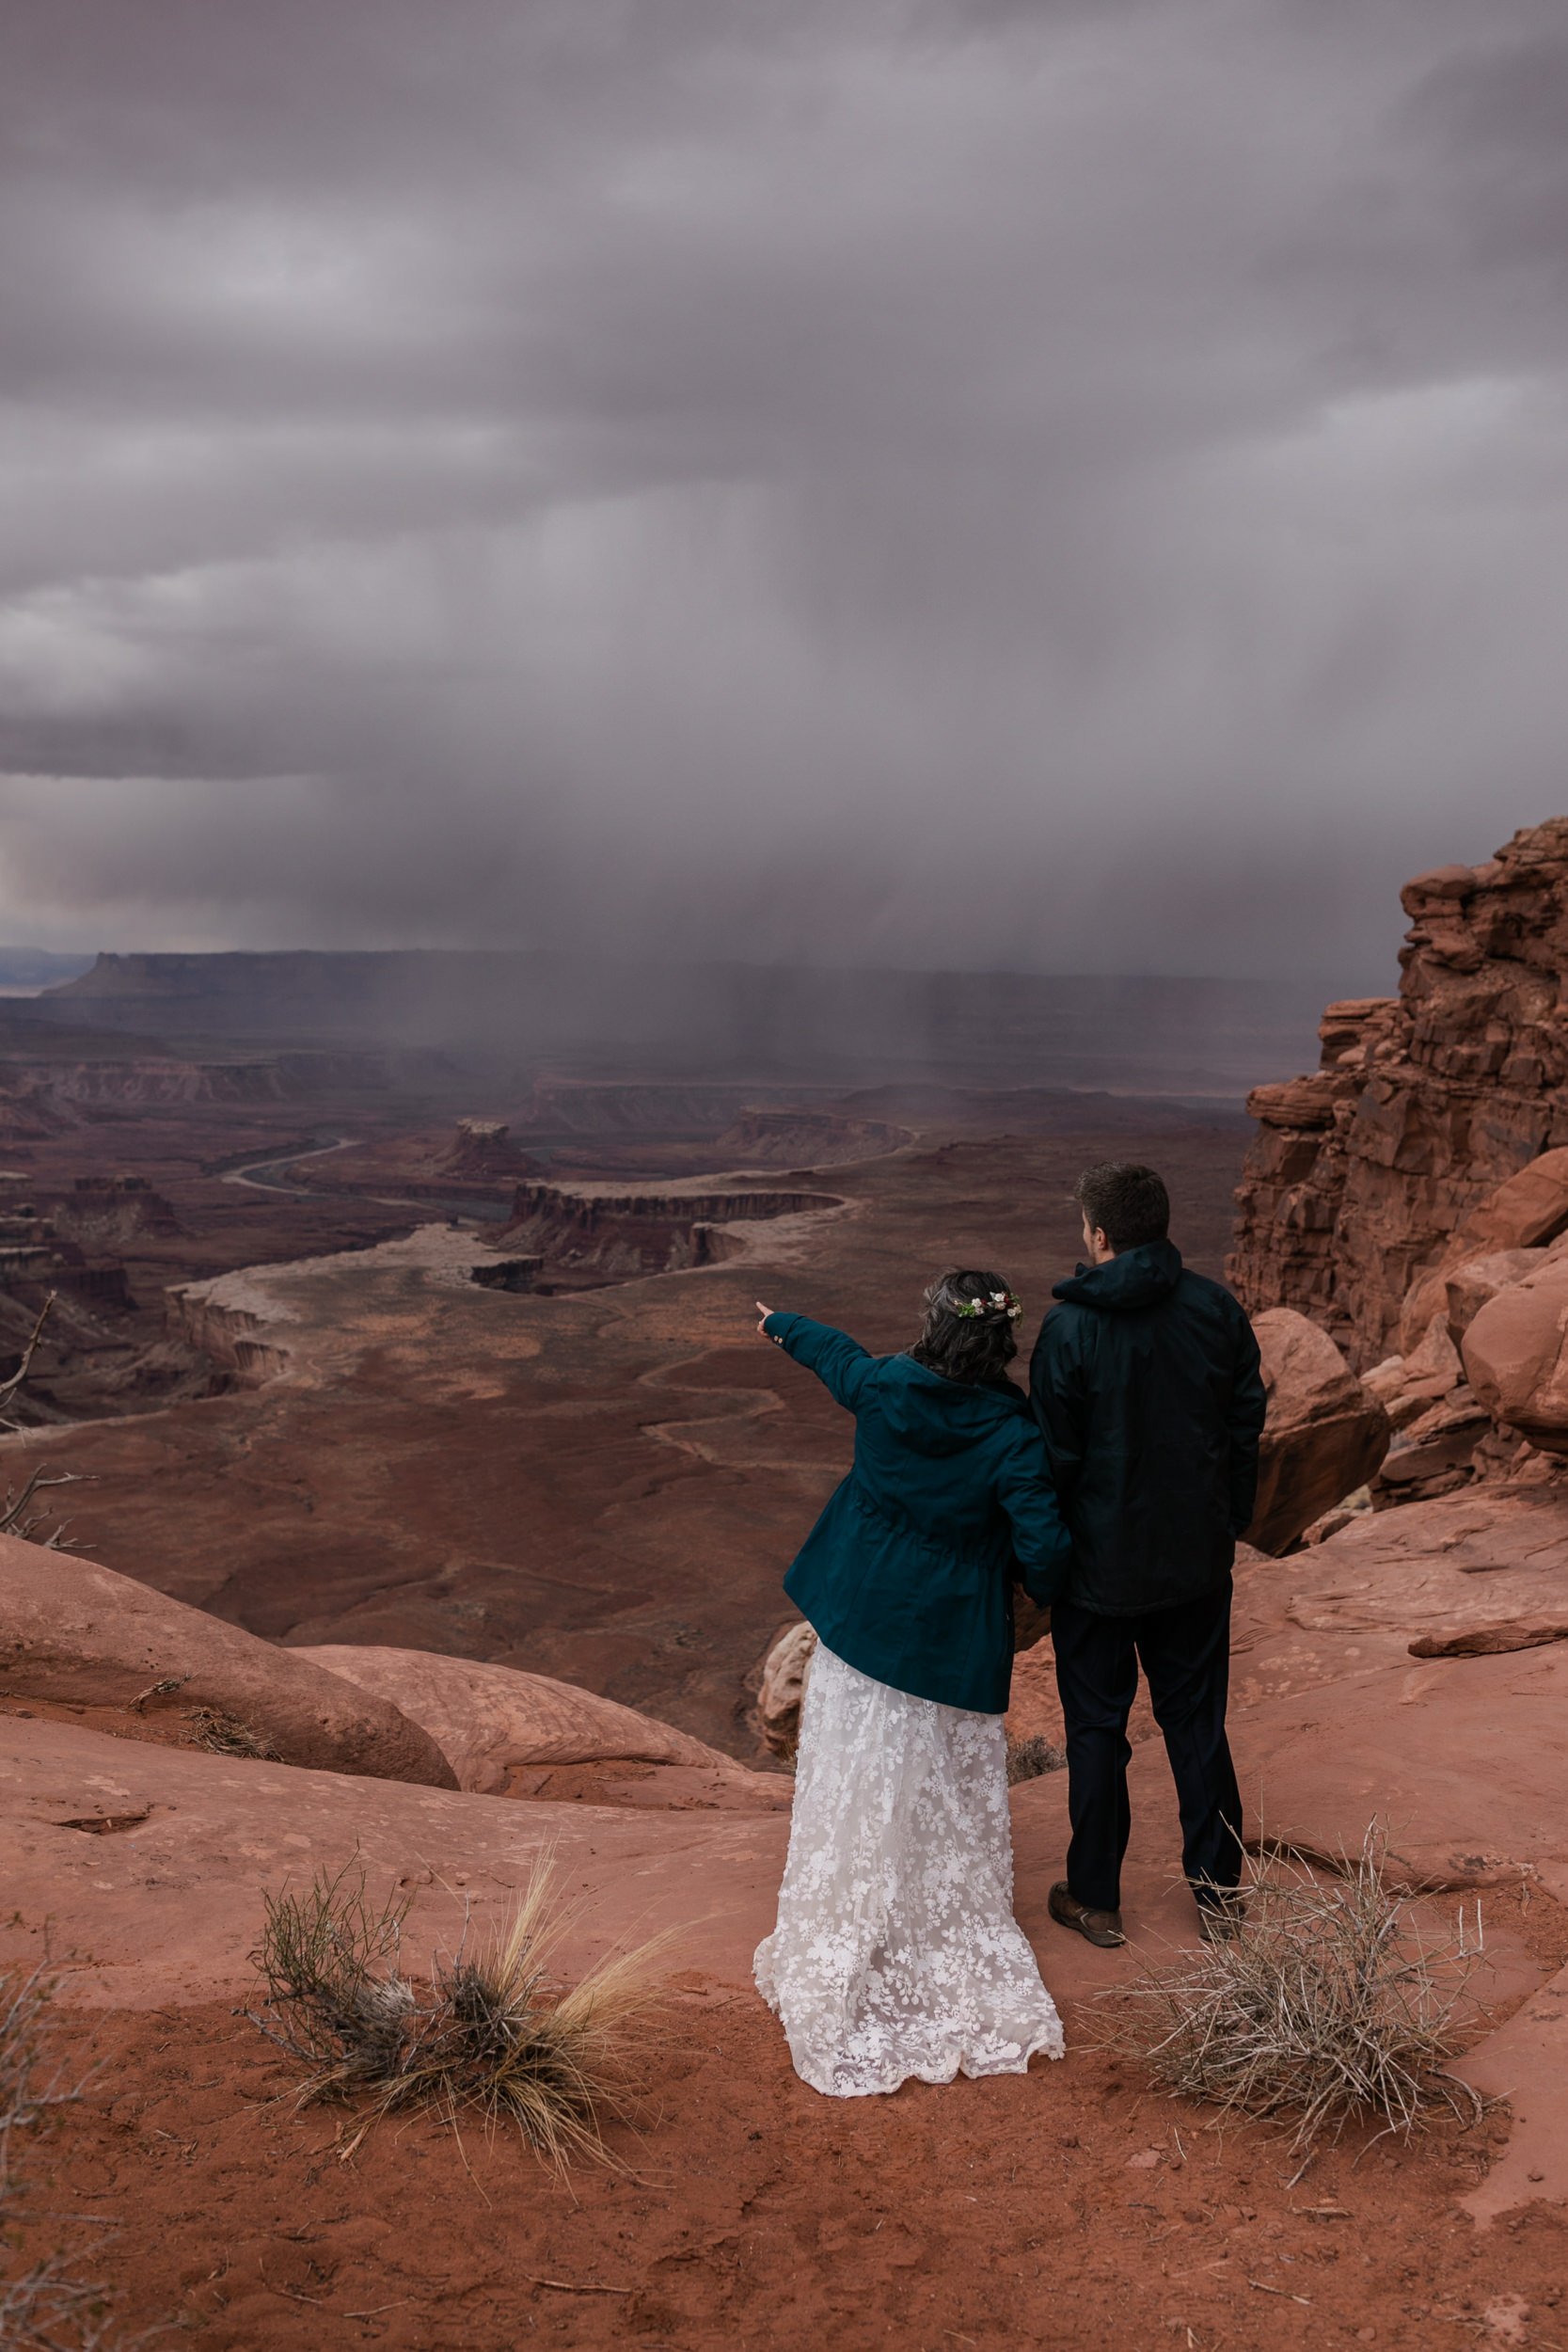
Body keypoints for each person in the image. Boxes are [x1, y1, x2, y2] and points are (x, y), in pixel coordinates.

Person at [752, 1272, 1072, 2099]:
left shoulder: (890, 1386)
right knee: (938, 1778)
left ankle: (862, 1910)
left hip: (860, 1619)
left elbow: (838, 1359)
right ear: (1003, 1342)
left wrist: (780, 1323)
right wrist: (1061, 1587)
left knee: (856, 1768)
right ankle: (923, 1916)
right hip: (946, 1638)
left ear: (934, 1324)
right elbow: (1040, 1543)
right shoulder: (1013, 1435)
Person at [1029, 1163, 1266, 1950]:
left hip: (1097, 1574)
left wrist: (1050, 1561)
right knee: (1195, 1723)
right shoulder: (1215, 1310)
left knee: (1097, 1731)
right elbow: (1243, 1427)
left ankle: (1095, 1897)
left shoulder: (1067, 1330)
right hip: (1193, 1564)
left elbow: (1053, 1460)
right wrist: (1226, 1520)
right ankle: (1218, 1894)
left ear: (1098, 1234)